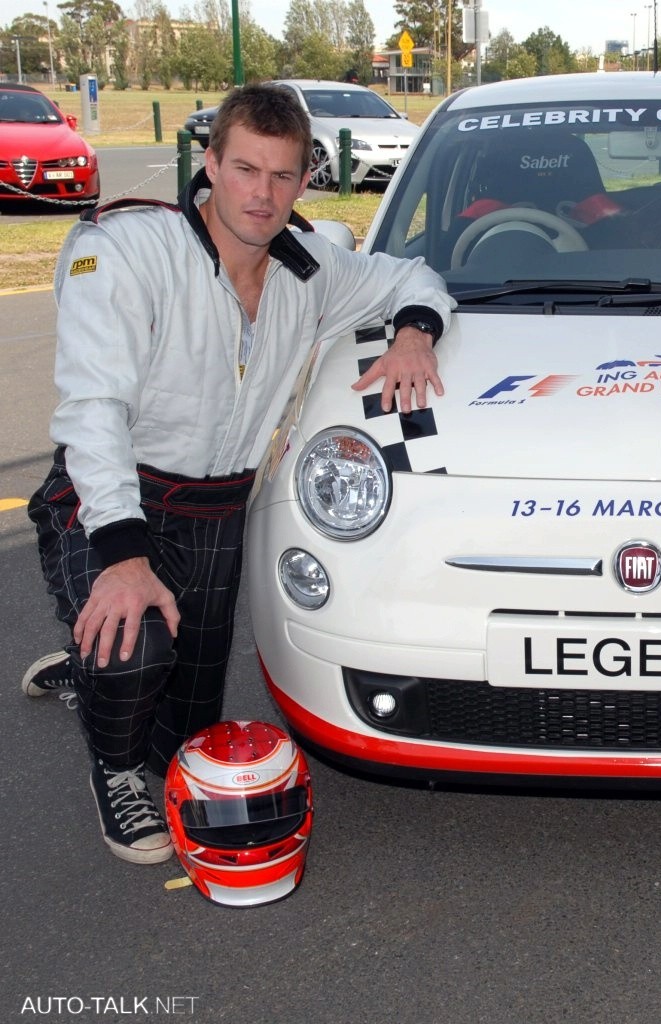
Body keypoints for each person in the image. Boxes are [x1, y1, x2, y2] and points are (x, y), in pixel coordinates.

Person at [21, 83, 454, 865]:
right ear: (211, 163)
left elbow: (414, 277)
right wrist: (122, 557)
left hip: (213, 513)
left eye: (283, 176)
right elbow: (93, 410)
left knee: (184, 737)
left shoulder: (312, 269)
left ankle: (95, 673)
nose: (263, 195)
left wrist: (415, 334)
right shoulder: (127, 250)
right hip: (111, 492)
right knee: (136, 649)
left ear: (304, 180)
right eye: (246, 169)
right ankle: (112, 767)